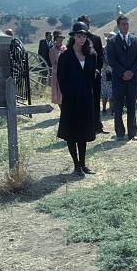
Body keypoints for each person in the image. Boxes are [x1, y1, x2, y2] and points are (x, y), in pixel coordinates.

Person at [56, 22, 97, 176]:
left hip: (86, 98)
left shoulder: (91, 55)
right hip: (71, 100)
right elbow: (61, 78)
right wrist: (69, 94)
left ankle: (83, 164)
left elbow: (92, 76)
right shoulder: (65, 56)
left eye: (84, 36)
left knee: (84, 132)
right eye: (79, 36)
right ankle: (76, 165)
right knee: (71, 133)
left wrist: (88, 91)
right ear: (73, 37)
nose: (82, 39)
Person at [105, 14, 137, 141]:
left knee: (132, 106)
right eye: (123, 24)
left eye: (127, 24)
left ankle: (132, 133)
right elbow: (111, 60)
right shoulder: (112, 41)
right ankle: (120, 133)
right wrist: (123, 73)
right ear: (118, 26)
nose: (125, 26)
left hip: (133, 79)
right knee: (118, 107)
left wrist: (131, 72)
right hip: (118, 79)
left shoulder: (136, 40)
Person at [77, 15, 107, 134]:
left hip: (95, 76)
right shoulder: (76, 39)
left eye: (88, 24)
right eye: (84, 24)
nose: (87, 26)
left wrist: (97, 69)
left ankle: (97, 126)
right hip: (81, 77)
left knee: (95, 100)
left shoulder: (96, 38)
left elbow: (100, 57)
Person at [49, 31, 66, 108]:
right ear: (56, 39)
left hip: (66, 73)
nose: (61, 40)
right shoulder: (52, 50)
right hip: (57, 73)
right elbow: (53, 63)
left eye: (62, 38)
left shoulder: (65, 48)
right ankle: (62, 110)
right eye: (59, 38)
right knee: (58, 92)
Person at [101, 32, 115, 114]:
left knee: (112, 92)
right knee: (105, 92)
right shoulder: (103, 49)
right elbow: (101, 60)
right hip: (105, 72)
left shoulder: (115, 49)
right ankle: (104, 109)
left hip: (114, 72)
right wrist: (107, 67)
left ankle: (112, 109)